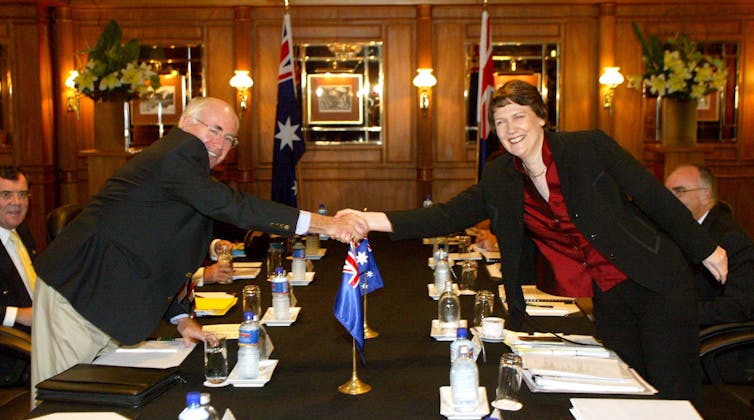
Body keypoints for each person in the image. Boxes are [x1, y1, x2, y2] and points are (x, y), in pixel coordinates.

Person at [337, 80, 728, 403]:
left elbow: (650, 194)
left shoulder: (587, 147)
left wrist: (704, 248)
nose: (510, 129)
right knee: (625, 390)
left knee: (672, 395)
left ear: (542, 117)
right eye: (500, 121)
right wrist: (368, 220)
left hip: (657, 281)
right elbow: (445, 215)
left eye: (518, 116)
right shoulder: (501, 176)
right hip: (608, 297)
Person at [31, 97, 368, 394]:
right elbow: (237, 207)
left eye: (229, 138)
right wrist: (324, 224)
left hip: (107, 302)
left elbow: (155, 250)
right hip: (78, 294)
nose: (220, 143)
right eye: (214, 129)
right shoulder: (177, 154)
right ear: (185, 123)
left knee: (90, 401)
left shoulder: (182, 169)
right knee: (61, 398)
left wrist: (179, 317)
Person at [665, 164, 754, 326]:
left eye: (679, 192)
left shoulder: (730, 238)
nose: (669, 200)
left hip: (710, 338)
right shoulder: (684, 228)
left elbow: (737, 307)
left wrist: (674, 313)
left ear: (706, 196)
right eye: (667, 193)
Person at [0, 166, 36, 385]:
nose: (17, 203)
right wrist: (18, 315)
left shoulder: (21, 231)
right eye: (6, 195)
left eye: (22, 194)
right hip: (12, 353)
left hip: (41, 328)